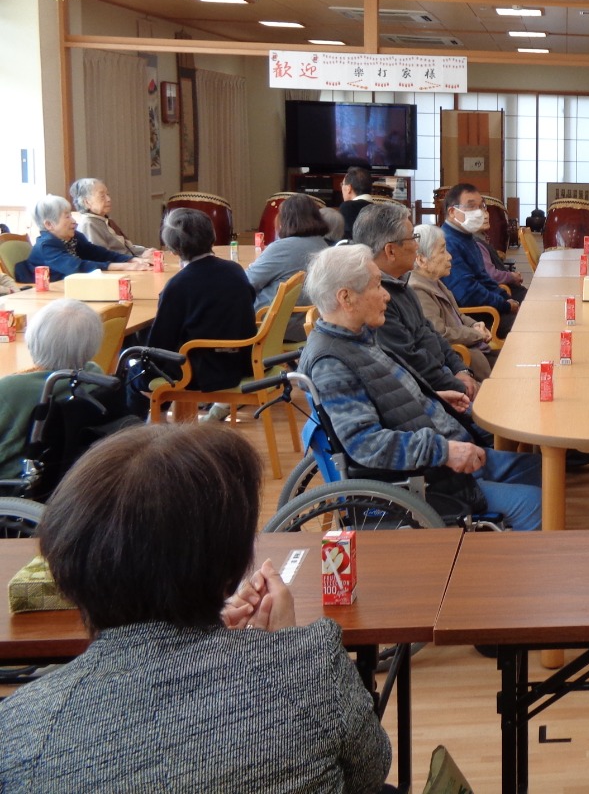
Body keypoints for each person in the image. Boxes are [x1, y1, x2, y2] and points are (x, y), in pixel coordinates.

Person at [0, 422, 392, 792]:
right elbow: (370, 773)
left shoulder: (19, 730)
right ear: (230, 567)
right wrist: (286, 652)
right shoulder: (313, 667)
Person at [299, 244, 542, 530]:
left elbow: (384, 397)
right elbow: (366, 444)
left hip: (449, 452)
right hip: (432, 479)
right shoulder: (331, 363)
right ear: (346, 298)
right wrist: (445, 451)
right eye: (377, 285)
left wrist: (431, 398)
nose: (387, 294)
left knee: (544, 471)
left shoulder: (358, 338)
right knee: (537, 503)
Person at [353, 202, 479, 401]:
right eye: (413, 237)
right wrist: (457, 385)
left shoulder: (401, 281)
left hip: (444, 377)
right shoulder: (377, 298)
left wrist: (460, 369)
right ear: (391, 251)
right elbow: (410, 361)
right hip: (427, 394)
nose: (417, 245)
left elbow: (430, 333)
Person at [137, 209, 257, 409]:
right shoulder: (235, 270)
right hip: (242, 361)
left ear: (173, 250)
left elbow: (161, 342)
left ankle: (146, 424)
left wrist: (144, 372)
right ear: (213, 237)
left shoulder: (178, 285)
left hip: (202, 371)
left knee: (136, 375)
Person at [0, 300, 104, 479]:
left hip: (15, 484)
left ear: (32, 341)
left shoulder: (11, 390)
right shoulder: (95, 374)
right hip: (70, 477)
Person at [409, 224, 493, 382]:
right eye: (442, 251)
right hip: (465, 360)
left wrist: (475, 325)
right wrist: (476, 335)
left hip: (477, 350)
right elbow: (440, 333)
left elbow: (458, 315)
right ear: (421, 260)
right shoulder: (417, 289)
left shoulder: (435, 281)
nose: (449, 256)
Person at [440, 184, 519, 337]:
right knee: (529, 325)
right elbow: (468, 294)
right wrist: (504, 305)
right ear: (452, 212)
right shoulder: (447, 243)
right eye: (471, 206)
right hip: (474, 317)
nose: (479, 212)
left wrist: (507, 299)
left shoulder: (466, 237)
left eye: (481, 206)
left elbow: (485, 279)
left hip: (488, 309)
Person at [247, 194, 330, 338]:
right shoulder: (323, 245)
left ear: (285, 220)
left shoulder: (282, 248)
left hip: (271, 325)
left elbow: (246, 282)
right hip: (307, 324)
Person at [15, 194, 145, 282]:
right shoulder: (46, 245)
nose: (73, 221)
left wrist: (131, 259)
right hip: (49, 293)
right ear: (49, 225)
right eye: (67, 217)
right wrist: (122, 266)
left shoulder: (74, 237)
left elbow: (98, 253)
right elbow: (76, 266)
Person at [69, 177, 154, 257]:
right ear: (87, 202)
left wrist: (145, 251)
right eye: (102, 196)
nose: (109, 199)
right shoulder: (89, 224)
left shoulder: (103, 220)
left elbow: (126, 248)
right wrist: (140, 257)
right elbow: (103, 257)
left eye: (108, 194)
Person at [336, 165, 374, 240]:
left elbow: (346, 240)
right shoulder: (379, 209)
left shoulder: (348, 207)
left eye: (342, 184)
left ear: (349, 188)